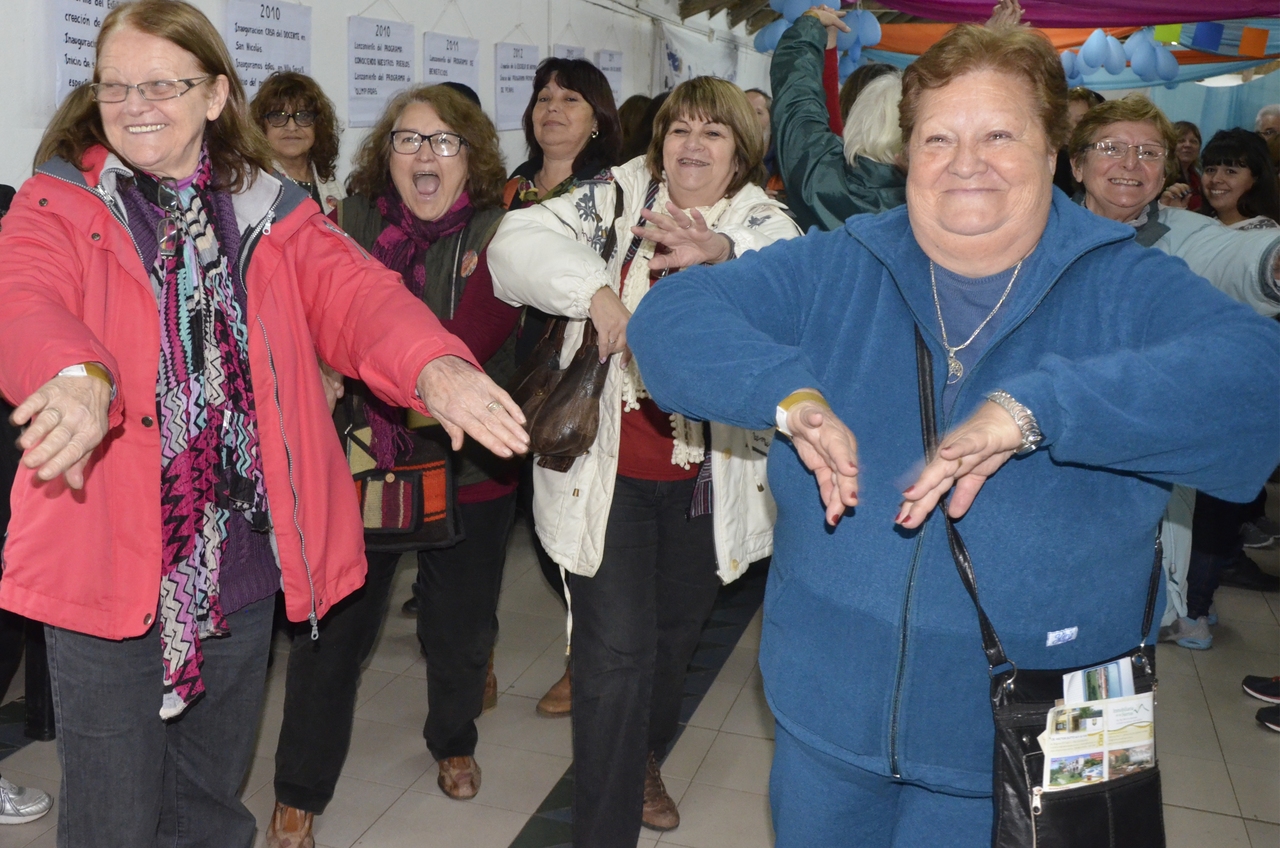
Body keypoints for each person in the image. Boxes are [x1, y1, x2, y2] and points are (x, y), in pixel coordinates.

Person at [624, 25, 1280, 846]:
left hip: (1059, 717)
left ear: (1054, 153)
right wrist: (786, 396)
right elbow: (674, 317)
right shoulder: (842, 263)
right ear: (908, 154)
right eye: (939, 138)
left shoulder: (1127, 281)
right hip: (830, 714)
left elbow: (1258, 379)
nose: (967, 162)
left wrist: (1039, 409)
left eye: (1000, 135)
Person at [0, 3, 528, 845]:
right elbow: (23, 297)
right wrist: (74, 373)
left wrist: (432, 362)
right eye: (115, 86)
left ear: (215, 96)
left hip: (236, 565)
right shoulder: (57, 201)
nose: (135, 105)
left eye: (162, 85)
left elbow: (356, 296)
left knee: (211, 805)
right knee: (112, 817)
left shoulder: (268, 210)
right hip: (102, 553)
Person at [489, 76, 799, 845]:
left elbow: (792, 268)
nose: (693, 145)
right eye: (680, 129)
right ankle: (605, 824)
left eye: (713, 132)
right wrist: (596, 292)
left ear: (740, 154)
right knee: (614, 657)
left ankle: (643, 758)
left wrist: (721, 252)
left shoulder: (757, 217)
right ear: (660, 144)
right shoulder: (617, 197)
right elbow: (513, 243)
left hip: (705, 485)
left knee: (671, 646)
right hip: (609, 478)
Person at [267, 84, 525, 848]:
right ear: (387, 155)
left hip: (470, 467)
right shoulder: (343, 224)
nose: (424, 154)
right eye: (408, 139)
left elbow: (476, 340)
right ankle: (298, 793)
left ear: (472, 157)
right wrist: (317, 355)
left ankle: (453, 740)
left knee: (459, 629)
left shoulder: (503, 235)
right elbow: (302, 309)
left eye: (444, 141)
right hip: (360, 463)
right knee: (332, 637)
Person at [1069, 96, 1280, 650]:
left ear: (1164, 170)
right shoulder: (1036, 229)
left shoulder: (1182, 234)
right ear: (1077, 164)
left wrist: (1273, 261)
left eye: (1148, 152)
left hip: (1145, 453)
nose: (1130, 164)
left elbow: (1238, 257)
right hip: (1051, 448)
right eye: (1111, 148)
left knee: (1127, 613)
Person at [501, 56, 623, 718]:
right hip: (506, 375)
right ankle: (475, 663)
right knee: (520, 522)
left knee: (573, 523)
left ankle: (585, 661)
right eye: (544, 96)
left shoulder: (611, 195)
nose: (552, 107)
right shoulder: (509, 189)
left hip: (575, 377)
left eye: (571, 98)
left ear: (597, 118)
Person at [771, 7, 906, 233]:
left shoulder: (817, 172)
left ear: (855, 119)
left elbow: (795, 98)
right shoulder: (932, 202)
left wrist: (809, 26)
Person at [249, 71, 343, 213]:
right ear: (261, 126)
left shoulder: (332, 185)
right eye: (278, 116)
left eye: (303, 116)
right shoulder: (253, 185)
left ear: (318, 125)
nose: (292, 127)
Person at [1195, 128, 1280, 229]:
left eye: (1230, 171)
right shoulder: (1195, 223)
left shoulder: (1267, 234)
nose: (1215, 179)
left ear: (1256, 177)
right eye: (1210, 170)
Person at [1167, 120, 1203, 212]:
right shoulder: (1164, 177)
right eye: (1181, 141)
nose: (1188, 145)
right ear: (1170, 145)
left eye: (1193, 141)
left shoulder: (1197, 178)